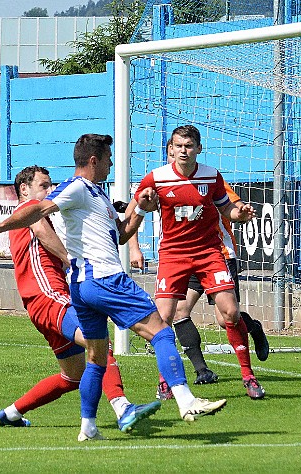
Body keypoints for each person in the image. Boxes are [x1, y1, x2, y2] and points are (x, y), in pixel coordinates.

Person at [0, 134, 227, 442]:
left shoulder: (97, 197)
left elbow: (121, 235)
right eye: (108, 158)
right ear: (94, 160)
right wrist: (1, 226)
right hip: (105, 279)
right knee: (161, 331)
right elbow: (39, 211)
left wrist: (140, 210)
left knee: (95, 357)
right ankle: (187, 401)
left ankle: (88, 428)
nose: (111, 163)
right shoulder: (77, 187)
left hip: (82, 289)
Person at [0, 165, 161, 434]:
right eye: (43, 185)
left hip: (40, 302)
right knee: (98, 344)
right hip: (49, 294)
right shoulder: (30, 211)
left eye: (50, 185)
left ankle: (10, 413)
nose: (49, 190)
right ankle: (122, 406)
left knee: (73, 375)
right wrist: (69, 261)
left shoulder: (40, 212)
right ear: (24, 189)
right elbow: (43, 232)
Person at [126, 125, 266, 400]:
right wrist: (134, 247)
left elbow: (227, 208)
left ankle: (248, 376)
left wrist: (240, 214)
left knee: (230, 313)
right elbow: (136, 209)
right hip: (173, 255)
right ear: (170, 150)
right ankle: (165, 381)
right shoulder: (157, 178)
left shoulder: (211, 176)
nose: (183, 151)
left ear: (198, 149)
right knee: (164, 317)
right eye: (178, 146)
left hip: (208, 253)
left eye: (189, 146)